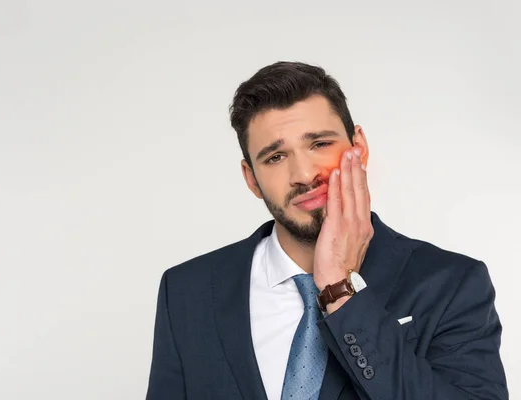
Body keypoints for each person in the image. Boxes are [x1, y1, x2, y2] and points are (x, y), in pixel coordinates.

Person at [145, 61, 508, 399]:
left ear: (359, 148)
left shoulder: (451, 284)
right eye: (275, 157)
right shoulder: (186, 292)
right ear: (251, 179)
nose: (304, 174)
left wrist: (340, 289)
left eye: (319, 143)